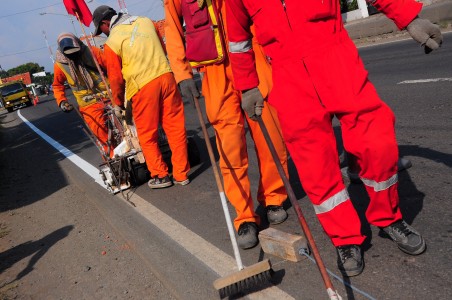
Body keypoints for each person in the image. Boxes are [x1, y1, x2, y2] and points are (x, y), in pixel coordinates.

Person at [225, 0, 442, 276]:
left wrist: (409, 18)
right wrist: (247, 86)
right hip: (288, 76)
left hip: (337, 59)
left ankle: (389, 218)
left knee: (378, 143)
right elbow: (238, 39)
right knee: (316, 168)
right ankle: (345, 239)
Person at [164, 0, 289, 249]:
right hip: (214, 71)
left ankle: (273, 197)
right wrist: (182, 74)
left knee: (271, 134)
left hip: (253, 58)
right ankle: (244, 216)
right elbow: (173, 29)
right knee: (230, 148)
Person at [92, 5, 190, 189]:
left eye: (101, 29)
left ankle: (161, 175)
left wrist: (118, 102)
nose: (103, 33)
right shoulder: (146, 22)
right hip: (167, 78)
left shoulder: (112, 41)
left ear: (106, 23)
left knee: (147, 135)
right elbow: (162, 48)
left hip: (143, 87)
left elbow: (115, 78)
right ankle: (181, 174)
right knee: (175, 128)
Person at [53, 32, 114, 157]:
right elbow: (57, 86)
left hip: (110, 95)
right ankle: (114, 157)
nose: (73, 55)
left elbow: (111, 67)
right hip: (89, 104)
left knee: (129, 124)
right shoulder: (60, 65)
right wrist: (62, 101)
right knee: (102, 134)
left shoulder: (92, 52)